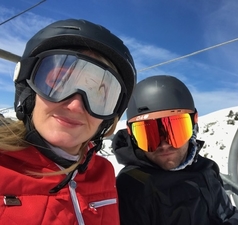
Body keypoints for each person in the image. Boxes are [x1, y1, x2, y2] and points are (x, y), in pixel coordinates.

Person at [0, 19, 136, 224]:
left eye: (100, 96)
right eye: (58, 82)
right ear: (28, 89)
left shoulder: (104, 173)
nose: (75, 106)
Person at [112, 75, 238, 225]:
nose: (164, 145)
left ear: (194, 123)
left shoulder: (206, 168)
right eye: (149, 135)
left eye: (175, 131)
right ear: (132, 135)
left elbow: (227, 214)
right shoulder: (133, 189)